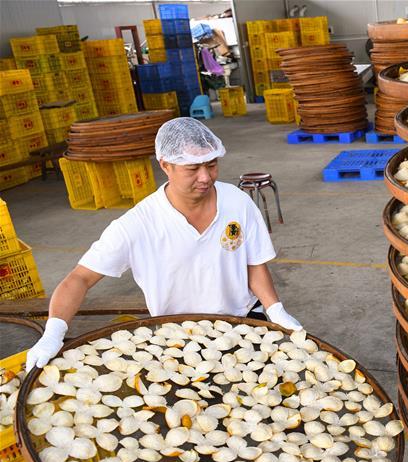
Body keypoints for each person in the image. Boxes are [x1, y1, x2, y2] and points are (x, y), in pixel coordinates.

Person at [25, 117, 302, 372]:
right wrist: (54, 332)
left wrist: (275, 309)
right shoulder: (137, 225)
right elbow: (80, 278)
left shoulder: (238, 202)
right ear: (165, 165)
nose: (205, 177)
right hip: (179, 338)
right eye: (192, 168)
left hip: (242, 322)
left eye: (211, 165)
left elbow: (253, 264)